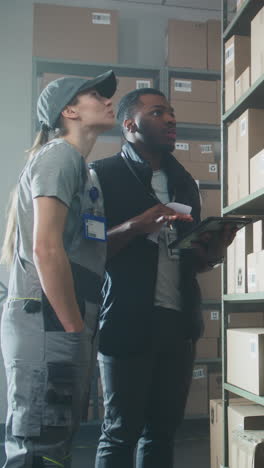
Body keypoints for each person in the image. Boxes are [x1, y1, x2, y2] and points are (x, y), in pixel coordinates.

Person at [91, 88, 236, 468]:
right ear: (129, 126)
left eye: (171, 113)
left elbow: (192, 262)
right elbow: (88, 253)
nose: (171, 119)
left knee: (161, 432)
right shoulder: (102, 176)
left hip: (178, 325)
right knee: (120, 432)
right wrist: (136, 226)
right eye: (157, 113)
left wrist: (213, 251)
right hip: (126, 321)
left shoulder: (184, 181)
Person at [0, 70, 117, 468]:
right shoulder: (60, 157)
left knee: (56, 443)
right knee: (40, 450)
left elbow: (81, 249)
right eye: (94, 95)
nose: (107, 100)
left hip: (61, 320)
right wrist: (73, 330)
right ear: (69, 110)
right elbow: (46, 248)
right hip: (50, 323)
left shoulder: (83, 170)